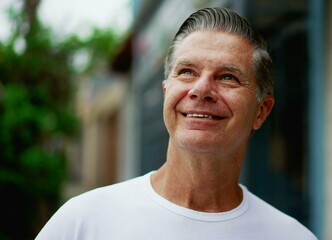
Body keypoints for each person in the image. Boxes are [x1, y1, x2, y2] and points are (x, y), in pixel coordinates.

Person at [36, 7, 317, 240]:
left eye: (228, 77)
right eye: (187, 71)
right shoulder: (83, 223)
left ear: (261, 111)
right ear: (166, 93)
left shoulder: (291, 236)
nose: (201, 89)